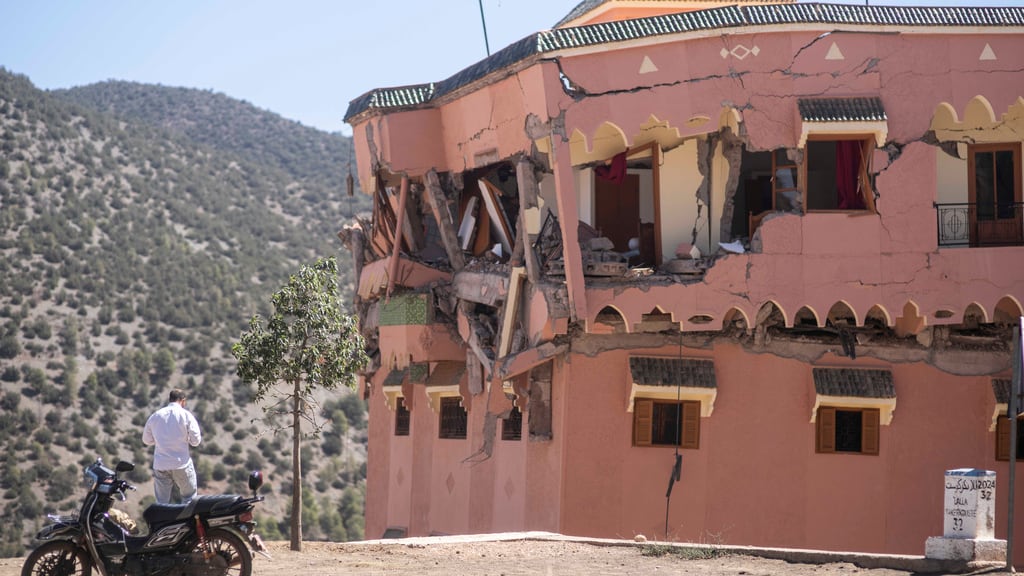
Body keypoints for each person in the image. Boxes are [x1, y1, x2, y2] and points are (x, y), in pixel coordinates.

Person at [142, 388, 202, 504]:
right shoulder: (186, 416)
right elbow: (196, 441)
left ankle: (163, 521)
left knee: (162, 502)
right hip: (181, 463)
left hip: (161, 464)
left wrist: (160, 440)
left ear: (170, 399)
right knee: (189, 498)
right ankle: (187, 521)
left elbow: (146, 440)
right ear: (183, 401)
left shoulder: (156, 416)